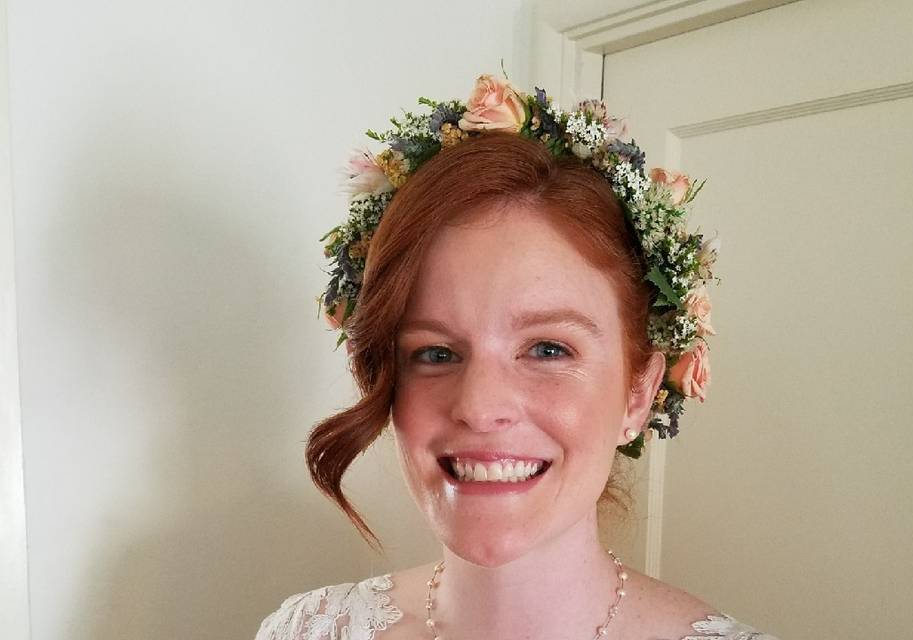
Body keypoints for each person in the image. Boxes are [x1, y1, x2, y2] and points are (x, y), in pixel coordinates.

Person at [255, 75, 779, 640]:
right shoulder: (304, 630)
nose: (480, 408)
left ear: (639, 391)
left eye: (548, 349)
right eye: (434, 352)